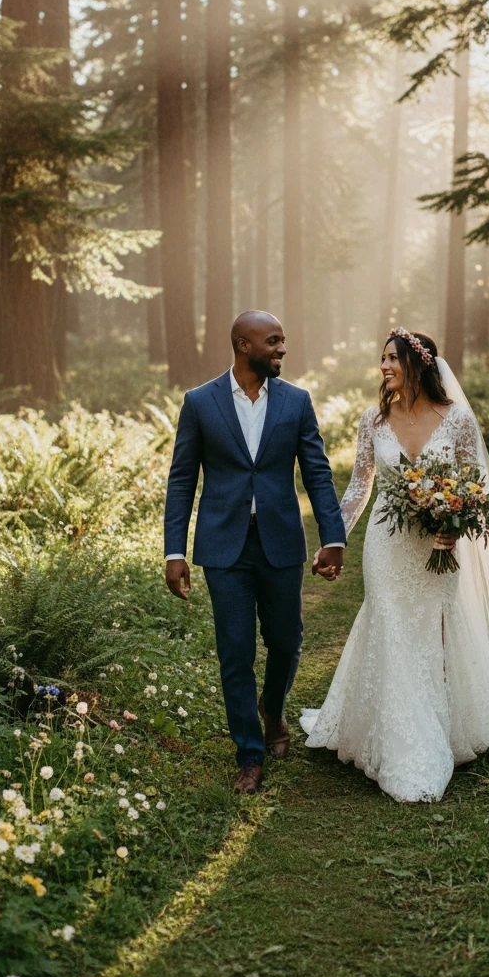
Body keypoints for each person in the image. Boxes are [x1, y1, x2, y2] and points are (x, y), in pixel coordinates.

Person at [301, 328, 489, 803]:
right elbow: (359, 489)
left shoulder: (458, 419)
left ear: (418, 364)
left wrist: (455, 526)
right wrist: (333, 540)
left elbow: (475, 488)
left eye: (393, 359)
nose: (383, 367)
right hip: (386, 545)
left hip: (437, 547)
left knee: (431, 631)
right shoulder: (373, 420)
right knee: (389, 625)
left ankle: (435, 728)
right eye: (381, 359)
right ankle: (397, 742)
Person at [164, 311, 346, 794]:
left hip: (280, 541)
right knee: (235, 652)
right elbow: (182, 479)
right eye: (273, 341)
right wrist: (173, 551)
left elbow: (318, 473)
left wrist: (334, 537)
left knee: (286, 641)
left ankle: (272, 706)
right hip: (223, 549)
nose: (282, 349)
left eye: (283, 340)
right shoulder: (200, 403)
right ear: (243, 345)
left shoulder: (296, 402)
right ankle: (249, 753)